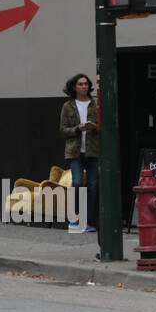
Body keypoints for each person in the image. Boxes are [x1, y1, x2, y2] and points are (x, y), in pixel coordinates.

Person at [59, 73, 99, 233]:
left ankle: (88, 221)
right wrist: (77, 128)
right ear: (74, 87)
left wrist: (94, 126)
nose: (84, 86)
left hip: (93, 150)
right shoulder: (68, 106)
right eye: (80, 84)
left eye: (86, 84)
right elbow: (63, 130)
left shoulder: (95, 104)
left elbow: (102, 125)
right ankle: (76, 217)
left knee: (92, 186)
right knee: (76, 182)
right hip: (75, 151)